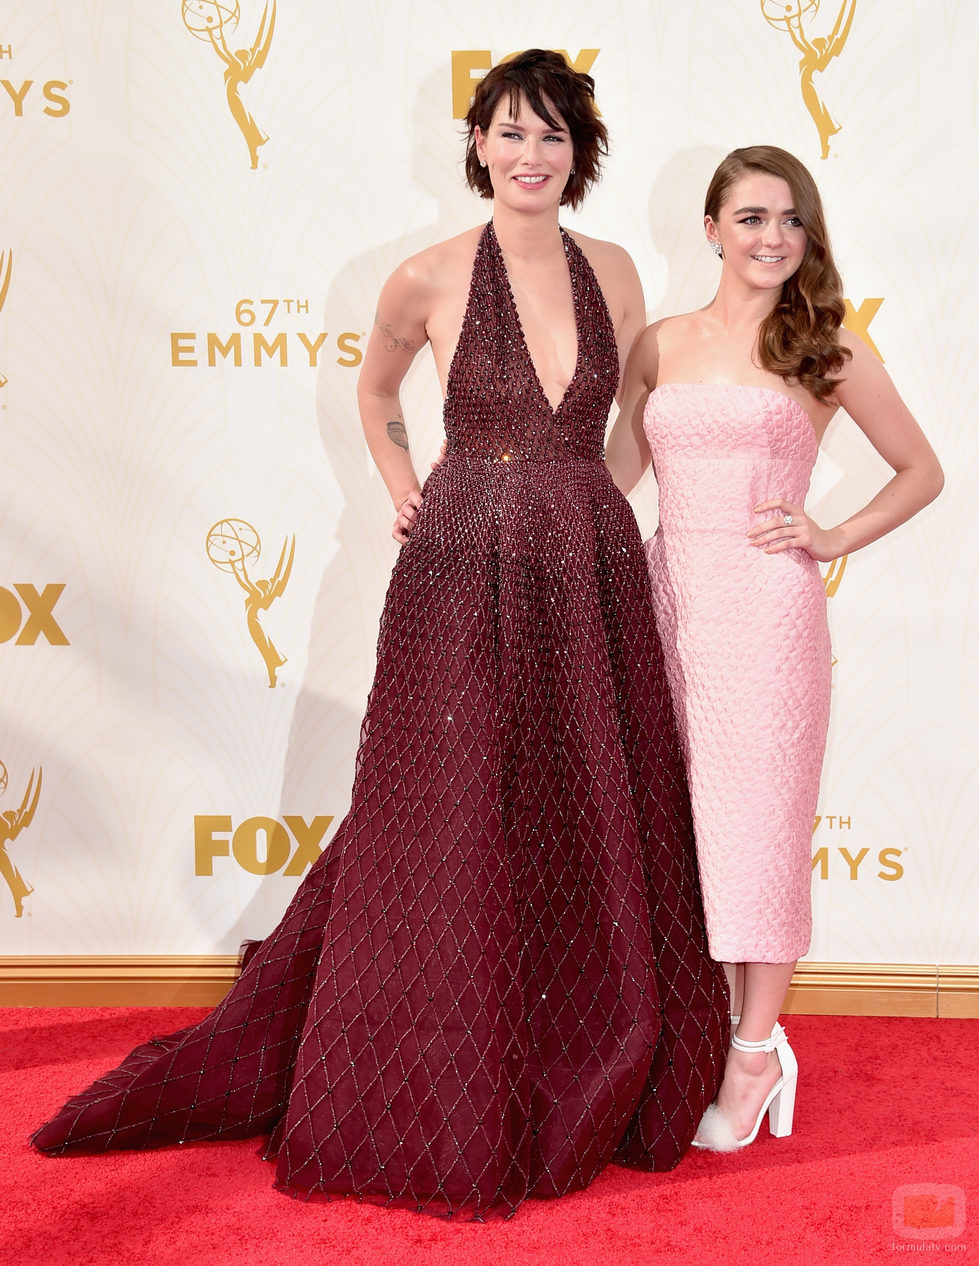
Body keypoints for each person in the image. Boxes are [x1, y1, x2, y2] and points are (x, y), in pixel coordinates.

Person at [32, 51, 729, 1218]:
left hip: (586, 566)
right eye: (509, 133)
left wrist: (590, 506)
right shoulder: (426, 273)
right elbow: (373, 392)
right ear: (477, 145)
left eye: (552, 136)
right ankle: (442, 1066)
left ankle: (583, 1037)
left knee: (580, 791)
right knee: (449, 805)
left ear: (579, 152)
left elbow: (628, 421)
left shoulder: (612, 270)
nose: (529, 155)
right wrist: (402, 483)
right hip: (458, 565)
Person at [606, 144, 943, 1152]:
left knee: (758, 834)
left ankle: (754, 1053)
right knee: (679, 830)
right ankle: (696, 1032)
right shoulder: (659, 344)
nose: (773, 237)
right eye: (751, 218)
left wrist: (831, 535)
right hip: (668, 605)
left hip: (766, 619)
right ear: (711, 229)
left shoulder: (823, 347)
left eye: (791, 219)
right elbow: (612, 478)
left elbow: (920, 470)